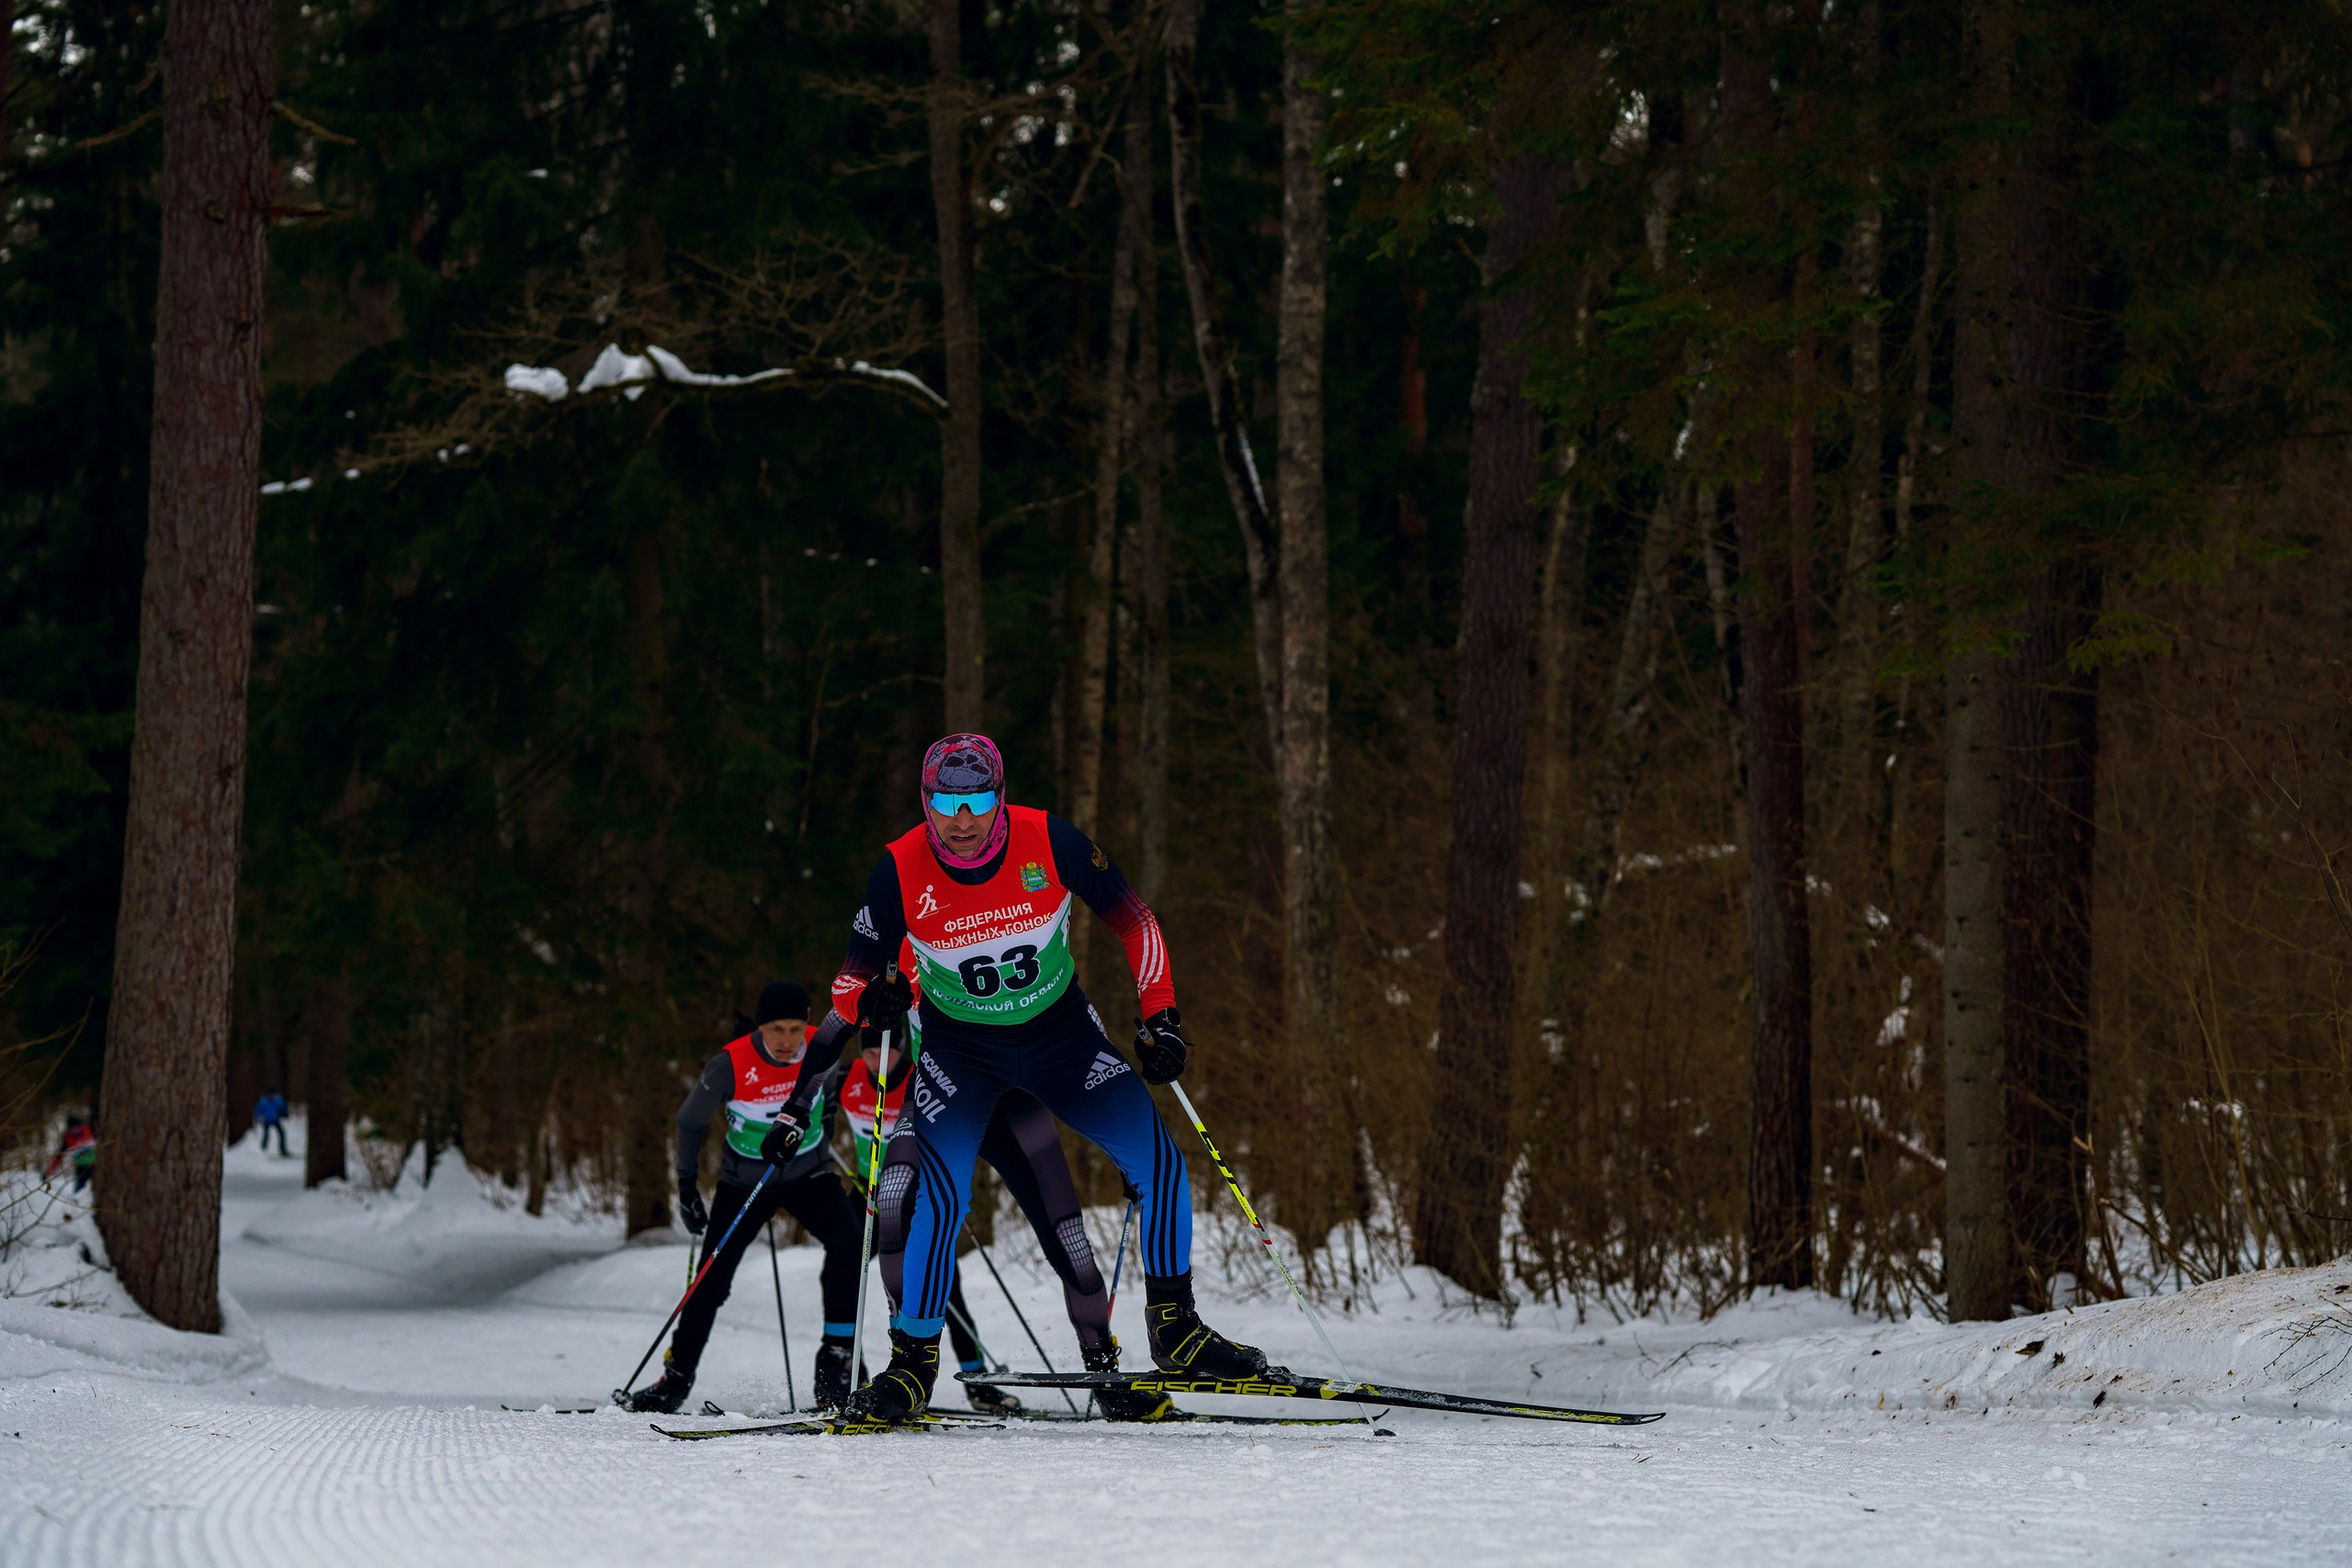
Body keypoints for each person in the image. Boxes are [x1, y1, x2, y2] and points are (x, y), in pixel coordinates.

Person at [760, 733, 1272, 1419]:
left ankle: (1174, 1329)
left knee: (1160, 1158)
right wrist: (870, 1003)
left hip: (1062, 1037)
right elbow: (849, 982)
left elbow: (1137, 922)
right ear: (926, 801)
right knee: (939, 1199)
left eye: (976, 801)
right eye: (946, 802)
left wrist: (1163, 1016)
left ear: (999, 797)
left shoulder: (1050, 840)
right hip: (962, 1054)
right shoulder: (899, 869)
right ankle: (912, 1363)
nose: (962, 819)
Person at [843, 1006, 1164, 1420]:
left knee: (1070, 1242)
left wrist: (1126, 1153)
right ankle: (907, 1367)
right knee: (892, 1198)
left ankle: (1105, 1375)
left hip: (1018, 1108)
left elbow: (1090, 1031)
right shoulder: (909, 946)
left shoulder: (1033, 944)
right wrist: (796, 1106)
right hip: (941, 1100)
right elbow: (838, 1017)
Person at [618, 980, 867, 1416]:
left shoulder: (823, 1046)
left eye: (795, 1029)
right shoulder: (730, 1064)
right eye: (776, 1030)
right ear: (760, 1027)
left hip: (808, 1173)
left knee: (850, 1241)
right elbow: (689, 1122)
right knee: (710, 1280)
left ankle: (837, 1368)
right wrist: (686, 1188)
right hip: (744, 1182)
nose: (787, 1041)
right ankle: (674, 1380)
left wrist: (824, 1128)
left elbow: (828, 1096)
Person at [45, 1116, 96, 1193]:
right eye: (71, 1129)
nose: (74, 1131)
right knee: (79, 1191)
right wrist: (49, 1170)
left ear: (80, 1126)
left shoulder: (89, 1129)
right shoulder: (68, 1139)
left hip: (95, 1165)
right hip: (80, 1168)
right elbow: (59, 1156)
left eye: (76, 1128)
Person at [254, 1088, 289, 1156]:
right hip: (267, 1120)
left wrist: (285, 1112)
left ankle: (283, 1150)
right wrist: (257, 1117)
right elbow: (258, 1110)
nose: (272, 1096)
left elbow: (283, 1106)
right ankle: (262, 1150)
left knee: (282, 1134)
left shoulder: (277, 1100)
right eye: (271, 1094)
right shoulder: (264, 1101)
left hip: (275, 1119)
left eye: (273, 1094)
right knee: (266, 1136)